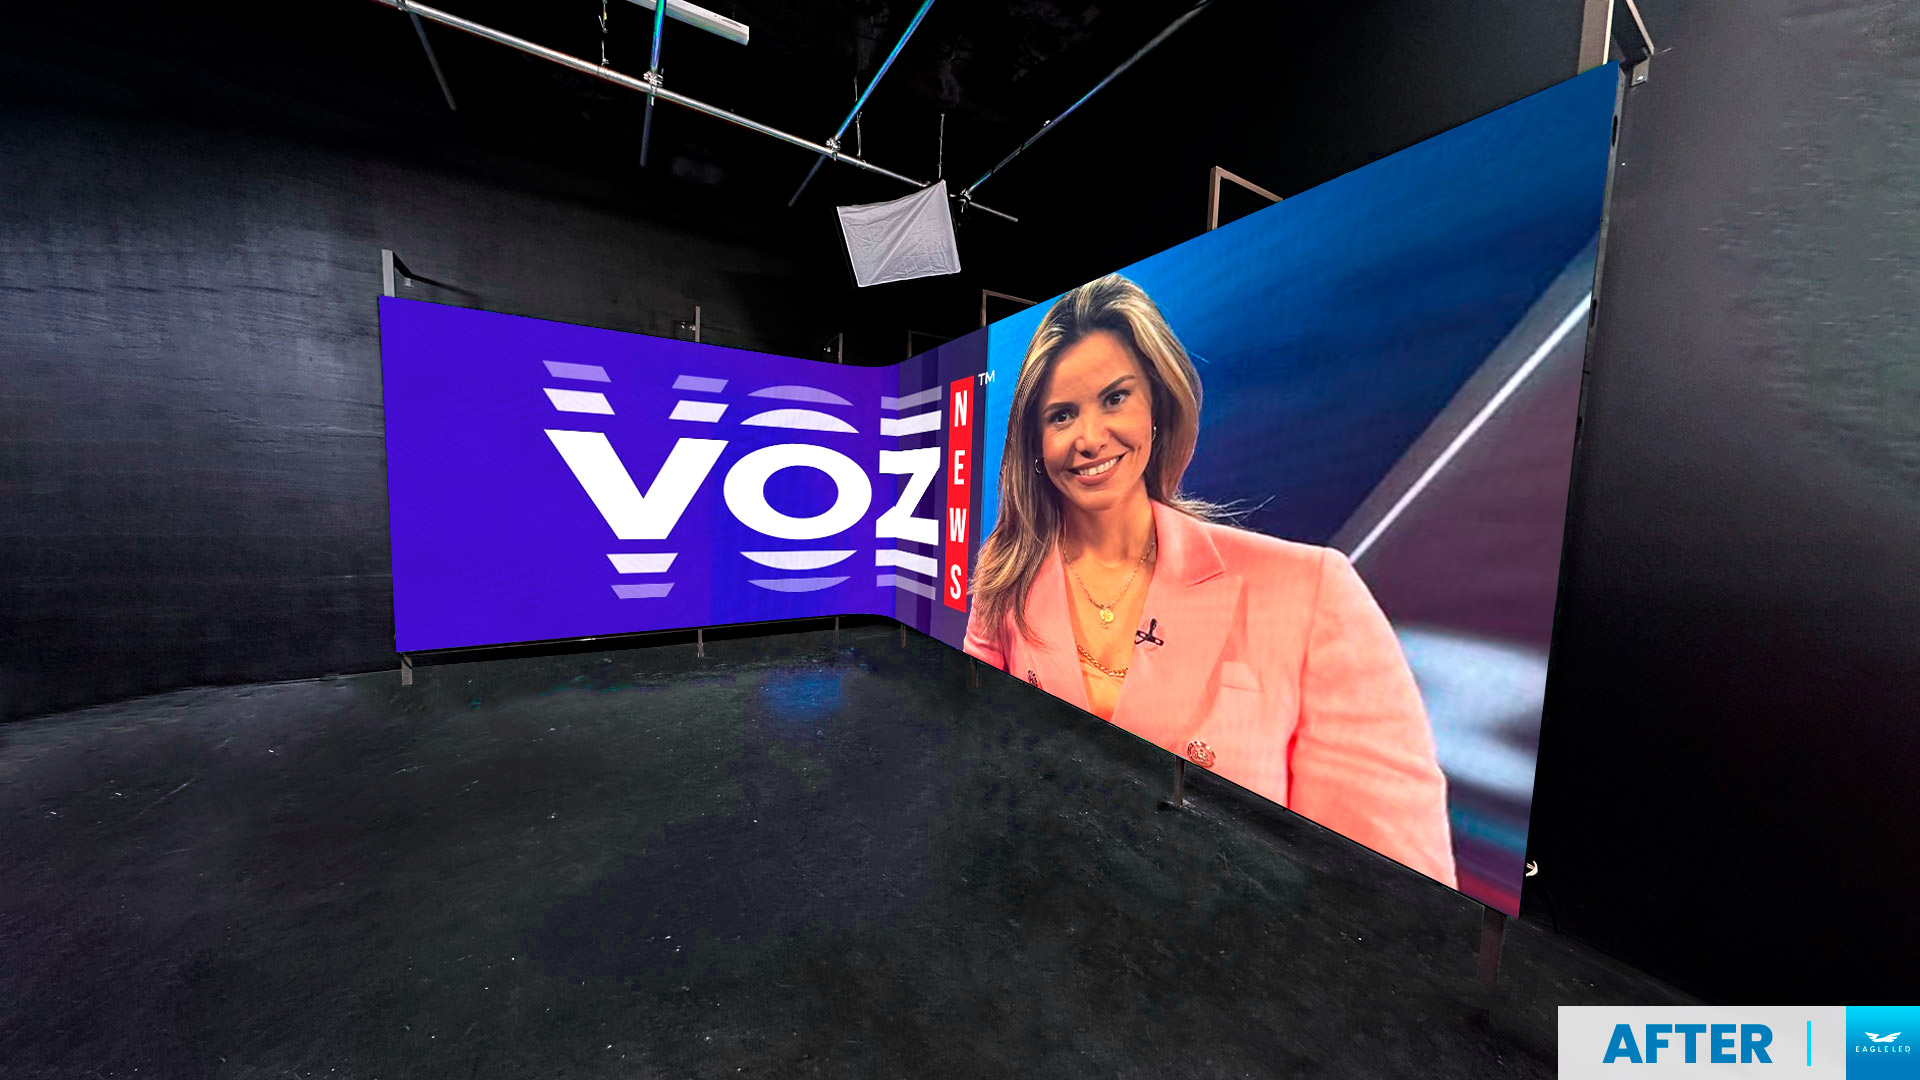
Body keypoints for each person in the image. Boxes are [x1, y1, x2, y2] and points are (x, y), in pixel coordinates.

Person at [963, 274, 1456, 887]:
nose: (1089, 438)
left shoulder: (1313, 589)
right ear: (1034, 443)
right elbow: (982, 762)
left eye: (1115, 398)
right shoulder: (1006, 577)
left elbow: (1396, 894)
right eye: (1062, 415)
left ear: (1157, 406)